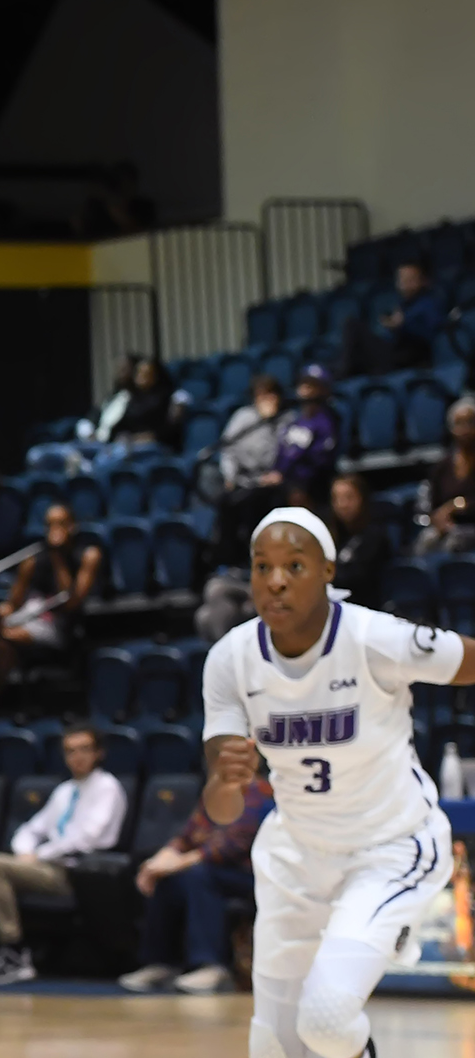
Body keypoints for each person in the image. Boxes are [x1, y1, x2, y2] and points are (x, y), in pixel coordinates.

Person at [203, 508, 475, 1058]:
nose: (275, 580)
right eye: (262, 567)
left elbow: (468, 659)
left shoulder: (374, 637)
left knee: (326, 1020)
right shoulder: (230, 658)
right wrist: (227, 782)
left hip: (389, 846)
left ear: (327, 571)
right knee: (274, 1045)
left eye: (294, 566)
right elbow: (222, 809)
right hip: (296, 858)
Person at [0, 723, 127, 985]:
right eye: (71, 751)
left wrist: (39, 855)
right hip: (43, 866)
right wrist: (25, 851)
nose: (77, 757)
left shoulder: (107, 787)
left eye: (84, 749)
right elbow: (31, 829)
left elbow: (87, 837)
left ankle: (14, 953)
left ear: (98, 753)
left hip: (74, 871)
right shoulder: (65, 791)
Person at [119, 777, 274, 995]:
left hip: (252, 874)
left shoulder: (260, 792)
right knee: (166, 877)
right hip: (212, 869)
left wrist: (177, 863)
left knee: (196, 875)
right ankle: (161, 963)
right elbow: (186, 837)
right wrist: (157, 864)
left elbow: (233, 845)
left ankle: (210, 965)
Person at [0, 504, 103, 717]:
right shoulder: (33, 558)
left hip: (59, 624)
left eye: (60, 524)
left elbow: (70, 603)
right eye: (49, 525)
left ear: (72, 526)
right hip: (30, 614)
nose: (54, 530)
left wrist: (57, 557)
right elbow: (13, 603)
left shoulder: (88, 554)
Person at [214, 375, 287, 568]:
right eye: (261, 395)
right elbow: (227, 448)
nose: (266, 400)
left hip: (271, 481)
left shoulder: (286, 420)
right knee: (225, 503)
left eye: (270, 394)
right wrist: (230, 476)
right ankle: (229, 561)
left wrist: (269, 422)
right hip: (243, 479)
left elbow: (283, 453)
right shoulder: (243, 417)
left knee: (257, 502)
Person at [338, 261, 442, 378]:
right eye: (401, 280)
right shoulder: (404, 305)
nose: (404, 284)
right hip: (394, 353)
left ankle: (344, 372)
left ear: (422, 281)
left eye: (409, 279)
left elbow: (432, 332)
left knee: (353, 325)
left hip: (409, 359)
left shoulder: (429, 303)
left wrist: (403, 325)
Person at [273, 367, 341, 508]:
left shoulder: (327, 421)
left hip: (313, 487)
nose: (306, 389)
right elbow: (283, 451)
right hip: (288, 484)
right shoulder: (295, 420)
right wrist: (279, 473)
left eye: (312, 385)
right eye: (304, 384)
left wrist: (292, 480)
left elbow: (320, 460)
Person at [415, 396, 475, 555]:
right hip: (447, 526)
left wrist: (455, 506)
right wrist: (439, 519)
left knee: (454, 542)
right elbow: (432, 503)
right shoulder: (442, 466)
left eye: (470, 422)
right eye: (459, 423)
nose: (465, 429)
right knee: (425, 541)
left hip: (470, 526)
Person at [327, 474, 390, 610]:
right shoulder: (334, 536)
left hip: (369, 609)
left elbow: (360, 577)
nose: (342, 504)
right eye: (337, 499)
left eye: (349, 498)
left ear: (362, 498)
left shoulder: (375, 535)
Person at [111, 357, 179, 447]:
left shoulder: (167, 397)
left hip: (156, 445)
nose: (141, 377)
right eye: (139, 373)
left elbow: (171, 428)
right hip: (130, 444)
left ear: (156, 376)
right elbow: (121, 425)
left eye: (147, 374)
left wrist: (151, 437)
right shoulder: (132, 398)